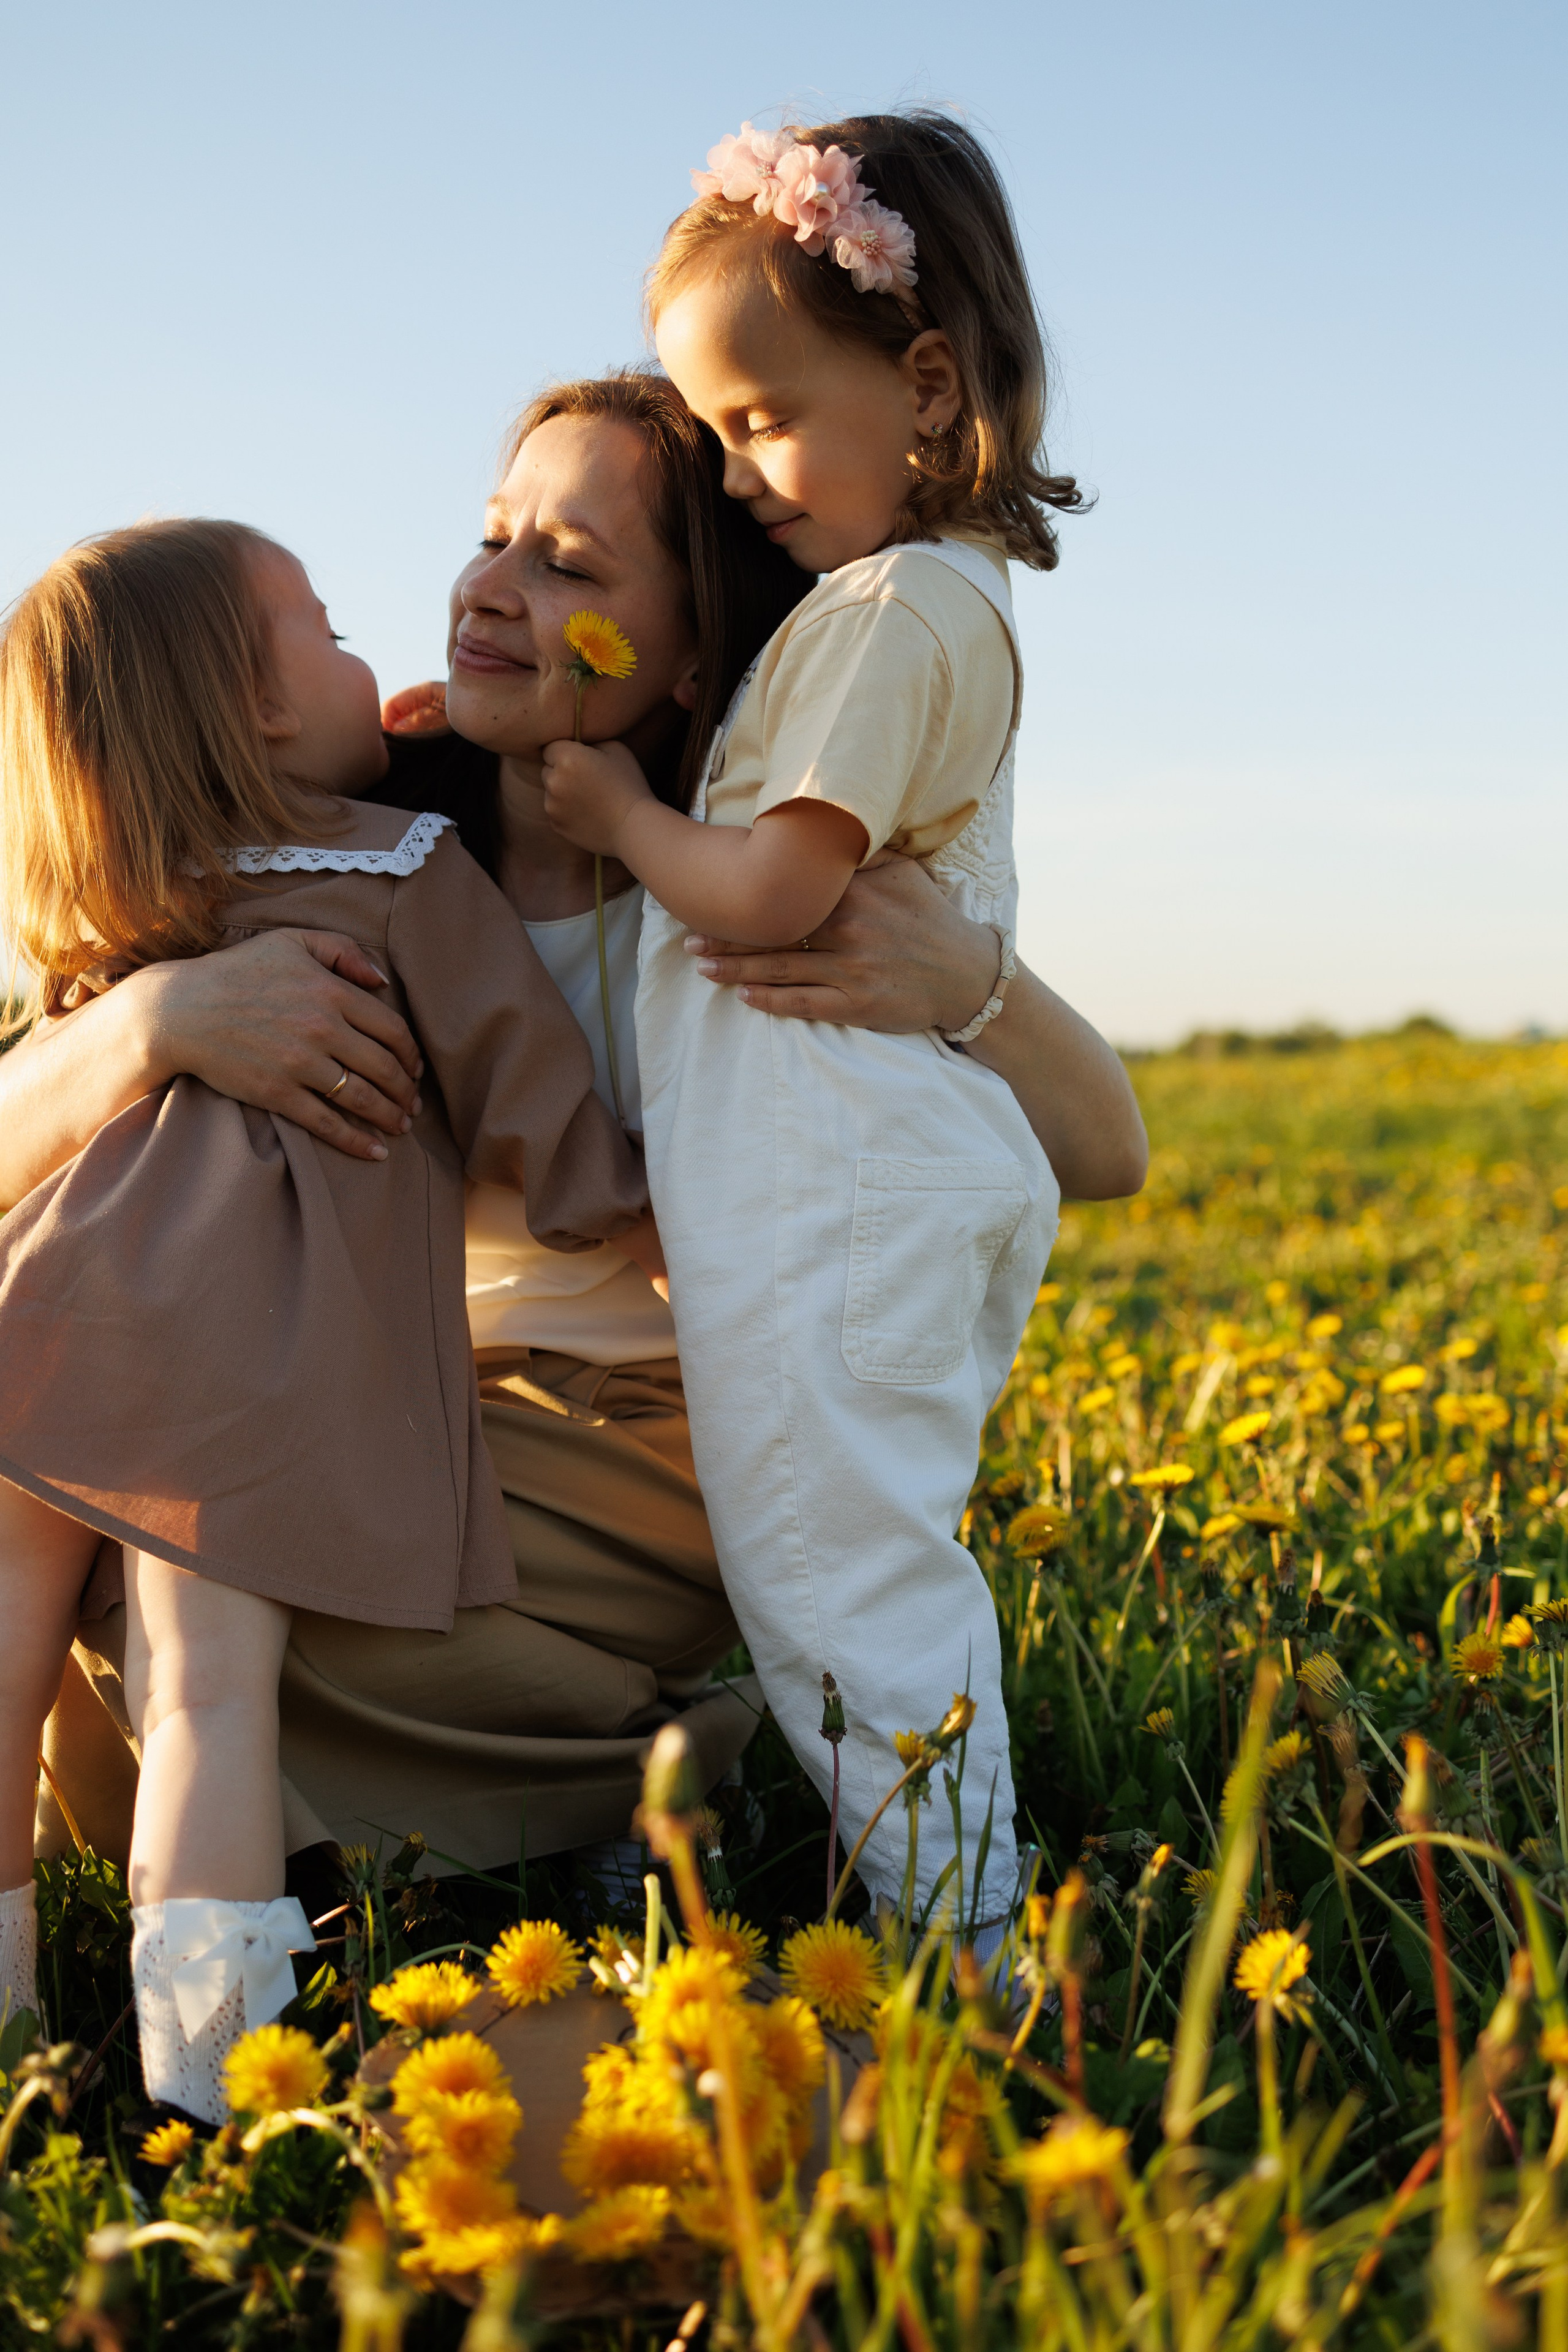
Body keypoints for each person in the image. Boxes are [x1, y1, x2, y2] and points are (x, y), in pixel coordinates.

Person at [4, 380, 1145, 1950]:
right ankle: (470, 1818)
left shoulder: (754, 876)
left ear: (692, 657)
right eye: (492, 537)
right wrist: (156, 1022)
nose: (488, 588)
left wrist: (967, 980)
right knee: (92, 1558)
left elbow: (1108, 1149)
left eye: (569, 568)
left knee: (207, 1613)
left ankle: (629, 1792)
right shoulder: (356, 824)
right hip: (381, 1389)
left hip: (650, 1436)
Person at [0, 518, 649, 2115]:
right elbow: (531, 1103)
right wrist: (633, 1202)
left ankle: (11, 2042)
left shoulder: (117, 905)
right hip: (232, 1361)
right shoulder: (401, 869)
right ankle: (222, 2093)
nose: (371, 661)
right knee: (209, 1699)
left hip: (40, 1315)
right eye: (333, 630)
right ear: (261, 702)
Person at [539, 115, 1087, 1939]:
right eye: (712, 434)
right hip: (872, 1166)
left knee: (833, 1574)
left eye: (762, 420)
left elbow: (778, 889)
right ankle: (923, 1896)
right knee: (842, 1554)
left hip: (839, 1177)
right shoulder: (912, 602)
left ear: (925, 386)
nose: (735, 473)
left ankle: (974, 1957)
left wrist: (623, 815)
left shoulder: (892, 606)